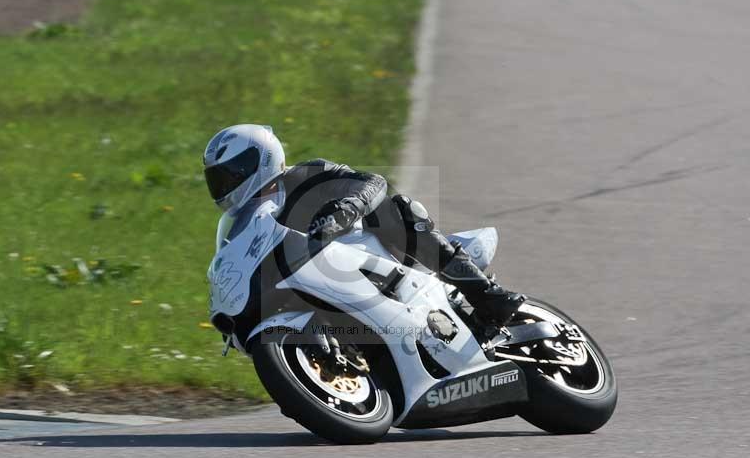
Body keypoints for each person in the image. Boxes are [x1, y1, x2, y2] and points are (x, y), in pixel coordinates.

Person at [203, 123, 525, 327]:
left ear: (262, 158)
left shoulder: (303, 176)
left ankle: (486, 293)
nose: (226, 183)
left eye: (234, 171)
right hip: (319, 287)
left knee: (396, 208)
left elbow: (371, 182)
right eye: (218, 178)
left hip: (376, 255)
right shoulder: (239, 227)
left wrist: (344, 210)